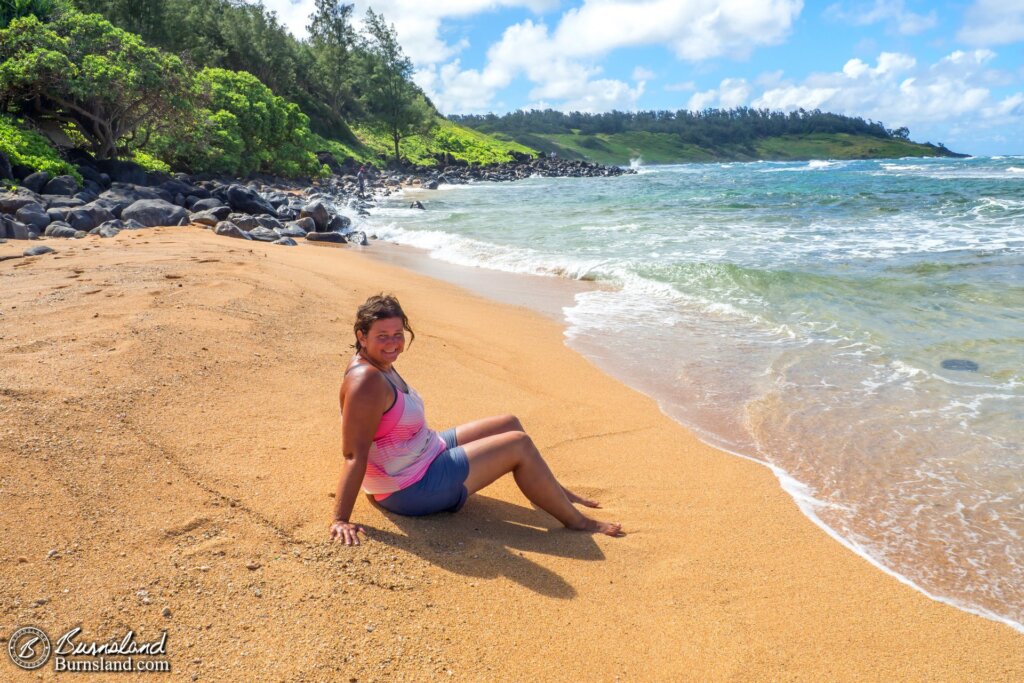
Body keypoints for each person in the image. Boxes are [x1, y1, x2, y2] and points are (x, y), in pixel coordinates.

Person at [329, 294, 624, 545]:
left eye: (397, 334)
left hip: (424, 452)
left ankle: (555, 492)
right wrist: (340, 519)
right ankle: (579, 523)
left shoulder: (378, 363)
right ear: (361, 336)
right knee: (518, 444)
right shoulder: (366, 381)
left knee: (509, 422)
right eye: (383, 336)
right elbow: (354, 454)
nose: (393, 343)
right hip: (409, 487)